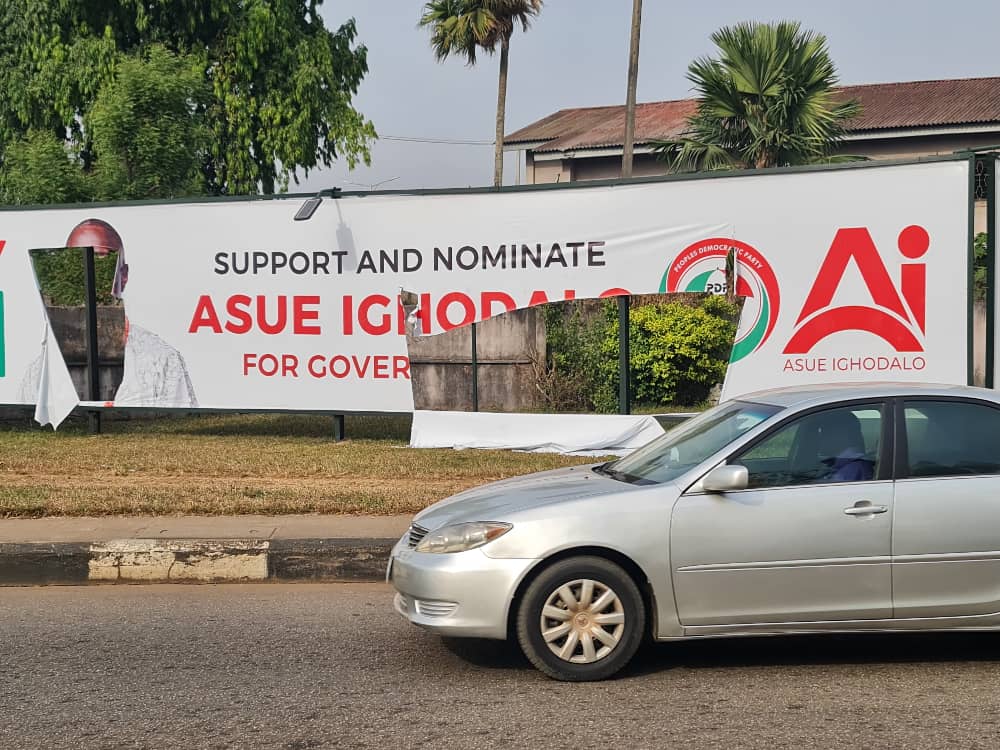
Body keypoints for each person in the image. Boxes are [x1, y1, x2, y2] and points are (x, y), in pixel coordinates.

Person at [20, 218, 198, 409]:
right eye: (76, 264)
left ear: (124, 275)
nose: (89, 274)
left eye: (102, 261)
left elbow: (182, 430)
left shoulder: (161, 360)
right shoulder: (40, 371)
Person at [814, 410, 874, 482]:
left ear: (842, 435)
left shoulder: (851, 469)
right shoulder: (841, 463)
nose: (820, 438)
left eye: (824, 432)